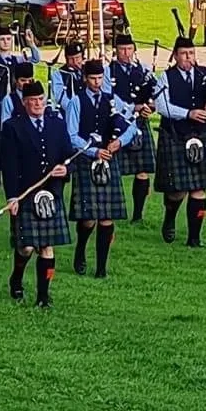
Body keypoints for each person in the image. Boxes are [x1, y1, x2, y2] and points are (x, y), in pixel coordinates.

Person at [0, 80, 75, 308]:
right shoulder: (13, 127)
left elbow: (68, 154)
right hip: (26, 193)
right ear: (24, 103)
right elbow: (9, 165)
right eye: (32, 101)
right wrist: (12, 197)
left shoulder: (57, 124)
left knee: (47, 246)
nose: (38, 104)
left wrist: (66, 169)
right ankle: (17, 276)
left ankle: (43, 296)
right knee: (26, 247)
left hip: (51, 193)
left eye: (41, 99)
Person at [154, 36, 206, 248]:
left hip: (202, 135)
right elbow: (161, 106)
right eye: (183, 54)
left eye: (191, 53)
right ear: (175, 56)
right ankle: (170, 217)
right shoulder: (166, 78)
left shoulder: (205, 73)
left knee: (199, 187)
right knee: (177, 190)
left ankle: (194, 237)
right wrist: (189, 113)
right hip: (175, 136)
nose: (188, 58)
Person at [64, 61, 137, 278]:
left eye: (100, 78)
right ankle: (80, 250)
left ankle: (102, 268)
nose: (97, 82)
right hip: (88, 161)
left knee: (107, 217)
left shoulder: (112, 100)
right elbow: (71, 135)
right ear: (85, 78)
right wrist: (93, 151)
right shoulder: (76, 102)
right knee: (88, 218)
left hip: (109, 159)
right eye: (93, 78)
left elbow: (130, 124)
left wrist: (119, 142)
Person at [0, 26, 42, 192]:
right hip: (0, 102)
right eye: (2, 39)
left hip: (18, 101)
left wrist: (31, 44)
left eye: (8, 39)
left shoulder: (19, 60)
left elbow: (36, 60)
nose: (6, 42)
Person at [107, 33, 157, 223]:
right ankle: (113, 210)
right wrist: (133, 107)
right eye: (122, 49)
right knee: (113, 169)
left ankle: (138, 214)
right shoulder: (107, 71)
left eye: (129, 49)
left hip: (140, 122)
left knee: (142, 169)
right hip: (116, 123)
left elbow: (157, 92)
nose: (126, 53)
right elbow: (108, 97)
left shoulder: (143, 70)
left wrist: (150, 107)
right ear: (116, 51)